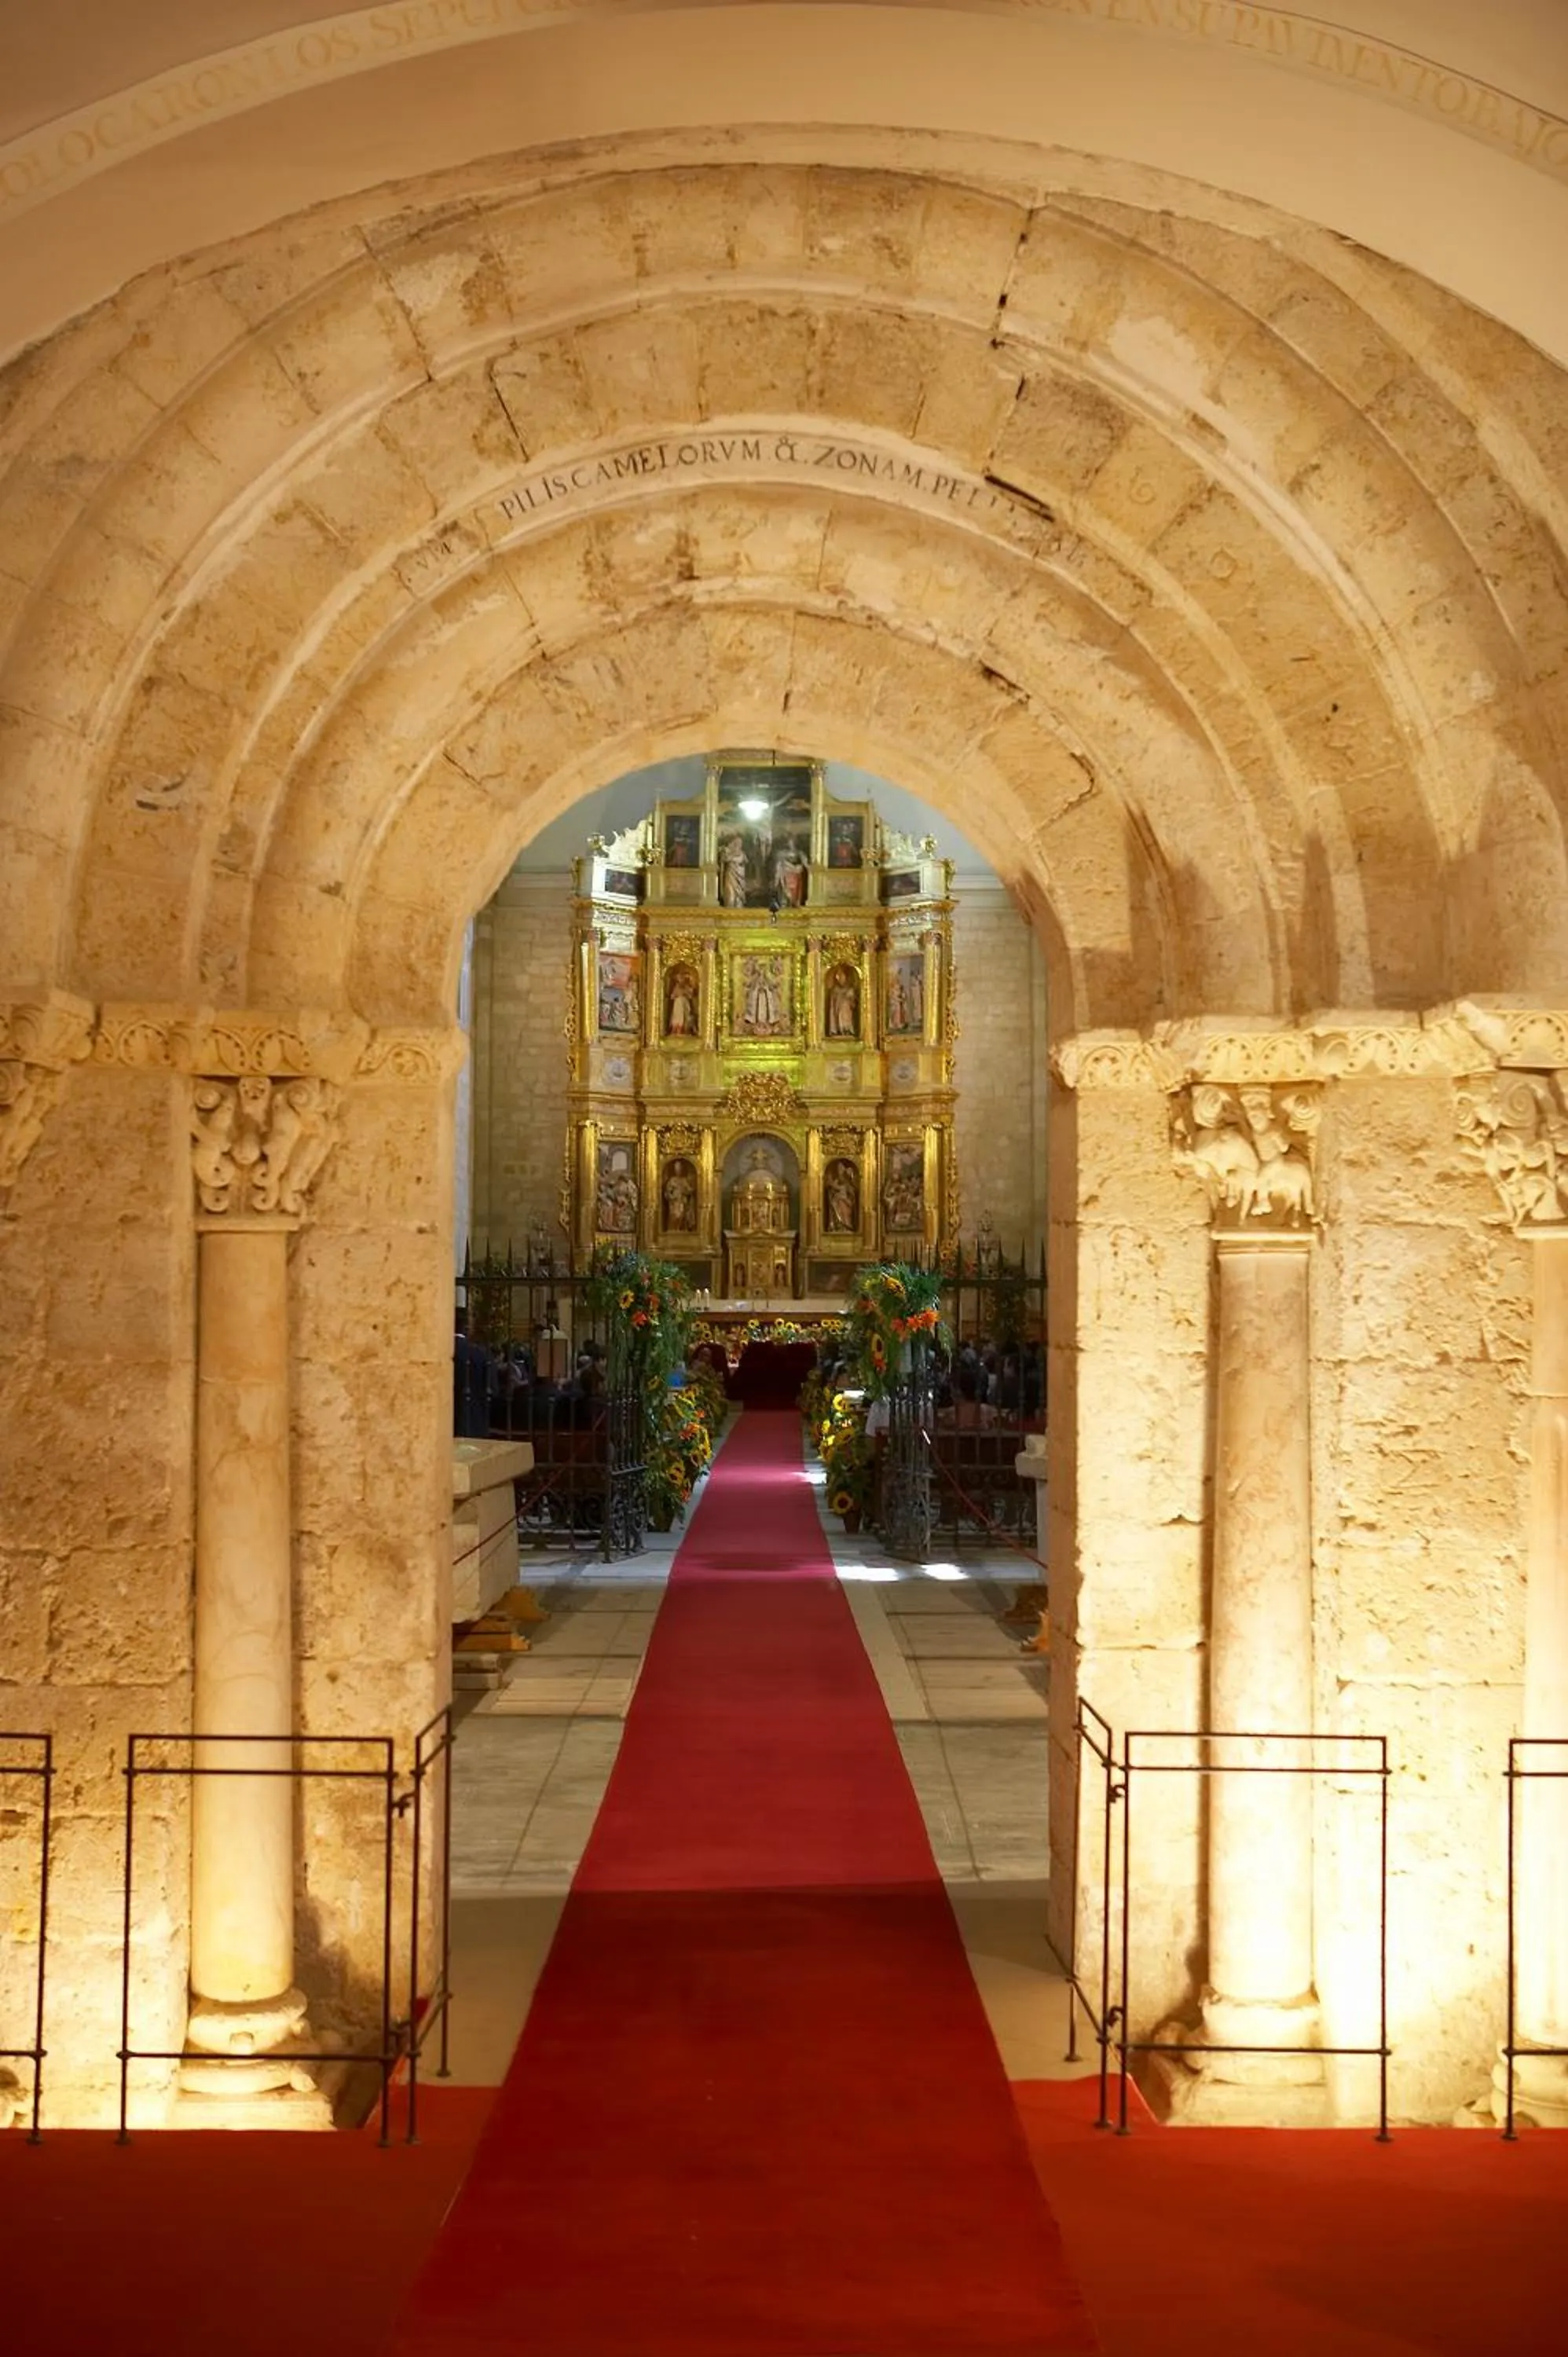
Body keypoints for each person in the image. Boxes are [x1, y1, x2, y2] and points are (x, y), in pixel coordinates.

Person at [452, 1307, 493, 1439]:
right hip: (473, 1418)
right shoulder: (478, 1354)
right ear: (467, 1327)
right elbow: (490, 1388)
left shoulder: (439, 1352)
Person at [719, 832, 747, 907]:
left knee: (738, 899)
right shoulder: (726, 853)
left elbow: (740, 860)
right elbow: (724, 859)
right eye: (736, 843)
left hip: (739, 880)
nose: (738, 845)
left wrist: (730, 857)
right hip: (730, 877)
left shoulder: (742, 854)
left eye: (740, 843)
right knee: (730, 896)